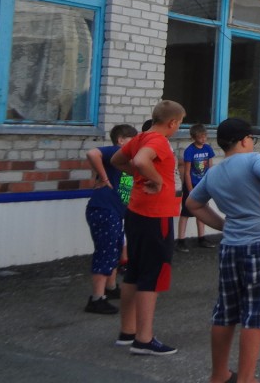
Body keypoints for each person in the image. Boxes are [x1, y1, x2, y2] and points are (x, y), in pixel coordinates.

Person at [185, 117, 260, 383]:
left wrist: (223, 225)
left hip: (231, 245)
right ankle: (246, 378)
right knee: (256, 313)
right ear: (243, 140)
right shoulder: (254, 160)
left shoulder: (214, 172)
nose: (253, 142)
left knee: (226, 310)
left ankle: (219, 374)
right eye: (252, 138)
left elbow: (193, 204)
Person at [110, 100, 186, 355]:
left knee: (134, 271)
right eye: (179, 124)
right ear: (172, 122)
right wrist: (155, 179)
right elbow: (142, 161)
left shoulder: (140, 137)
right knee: (152, 274)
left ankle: (128, 331)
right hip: (156, 215)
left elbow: (118, 160)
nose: (178, 128)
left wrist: (140, 175)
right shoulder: (158, 141)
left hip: (136, 211)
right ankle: (144, 339)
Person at [83, 124, 138, 315]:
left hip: (114, 212)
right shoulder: (116, 151)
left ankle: (111, 287)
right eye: (132, 140)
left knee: (115, 249)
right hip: (104, 210)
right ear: (121, 140)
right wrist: (104, 178)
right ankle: (97, 299)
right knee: (105, 252)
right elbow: (92, 153)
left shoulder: (126, 160)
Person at [178, 123, 215, 252]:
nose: (203, 139)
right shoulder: (190, 151)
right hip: (192, 185)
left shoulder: (208, 149)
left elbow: (210, 168)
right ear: (193, 137)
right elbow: (187, 172)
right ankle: (181, 241)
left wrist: (209, 184)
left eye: (205, 136)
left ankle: (202, 238)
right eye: (200, 137)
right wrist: (190, 189)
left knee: (202, 211)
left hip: (203, 185)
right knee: (186, 213)